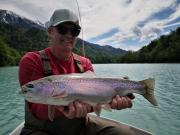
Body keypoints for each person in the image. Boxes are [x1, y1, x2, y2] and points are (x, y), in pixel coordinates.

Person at [19, 9, 134, 135]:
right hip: (41, 130)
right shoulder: (32, 60)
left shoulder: (85, 63)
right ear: (50, 31)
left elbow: (93, 101)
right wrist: (64, 109)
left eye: (74, 31)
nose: (69, 35)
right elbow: (36, 110)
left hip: (80, 127)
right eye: (63, 29)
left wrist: (110, 102)